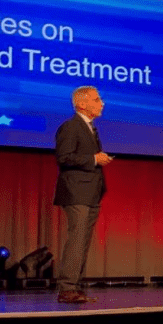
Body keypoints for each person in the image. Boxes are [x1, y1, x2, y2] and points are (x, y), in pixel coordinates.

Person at [53, 85, 113, 303]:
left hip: (90, 192)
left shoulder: (90, 128)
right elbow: (64, 157)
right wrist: (94, 159)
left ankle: (75, 287)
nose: (102, 103)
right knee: (77, 241)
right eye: (97, 99)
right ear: (82, 104)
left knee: (83, 242)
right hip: (76, 191)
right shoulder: (71, 126)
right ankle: (67, 288)